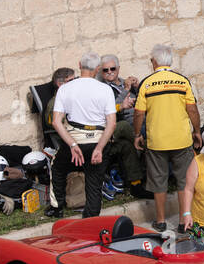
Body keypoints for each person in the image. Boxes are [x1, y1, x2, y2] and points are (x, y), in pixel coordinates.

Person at [134, 44, 202, 231]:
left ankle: (161, 221)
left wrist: (137, 134)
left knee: (158, 181)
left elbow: (139, 113)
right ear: (169, 60)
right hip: (181, 139)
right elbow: (192, 109)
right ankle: (183, 221)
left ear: (154, 61)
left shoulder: (146, 83)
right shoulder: (182, 81)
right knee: (184, 180)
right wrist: (196, 131)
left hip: (157, 141)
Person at [47, 53, 116, 219]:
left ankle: (57, 207)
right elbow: (111, 123)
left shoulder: (65, 88)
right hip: (98, 139)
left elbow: (57, 122)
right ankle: (91, 218)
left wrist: (72, 145)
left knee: (57, 168)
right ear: (98, 69)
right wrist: (99, 148)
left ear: (79, 64)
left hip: (75, 139)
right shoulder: (105, 89)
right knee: (94, 180)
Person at [98, 54, 149, 200]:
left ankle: (137, 184)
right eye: (105, 70)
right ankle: (145, 143)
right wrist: (126, 91)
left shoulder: (126, 82)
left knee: (130, 143)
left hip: (140, 121)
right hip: (119, 125)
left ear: (118, 69)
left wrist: (137, 88)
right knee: (130, 129)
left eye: (112, 68)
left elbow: (143, 101)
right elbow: (107, 111)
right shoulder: (102, 89)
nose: (109, 72)